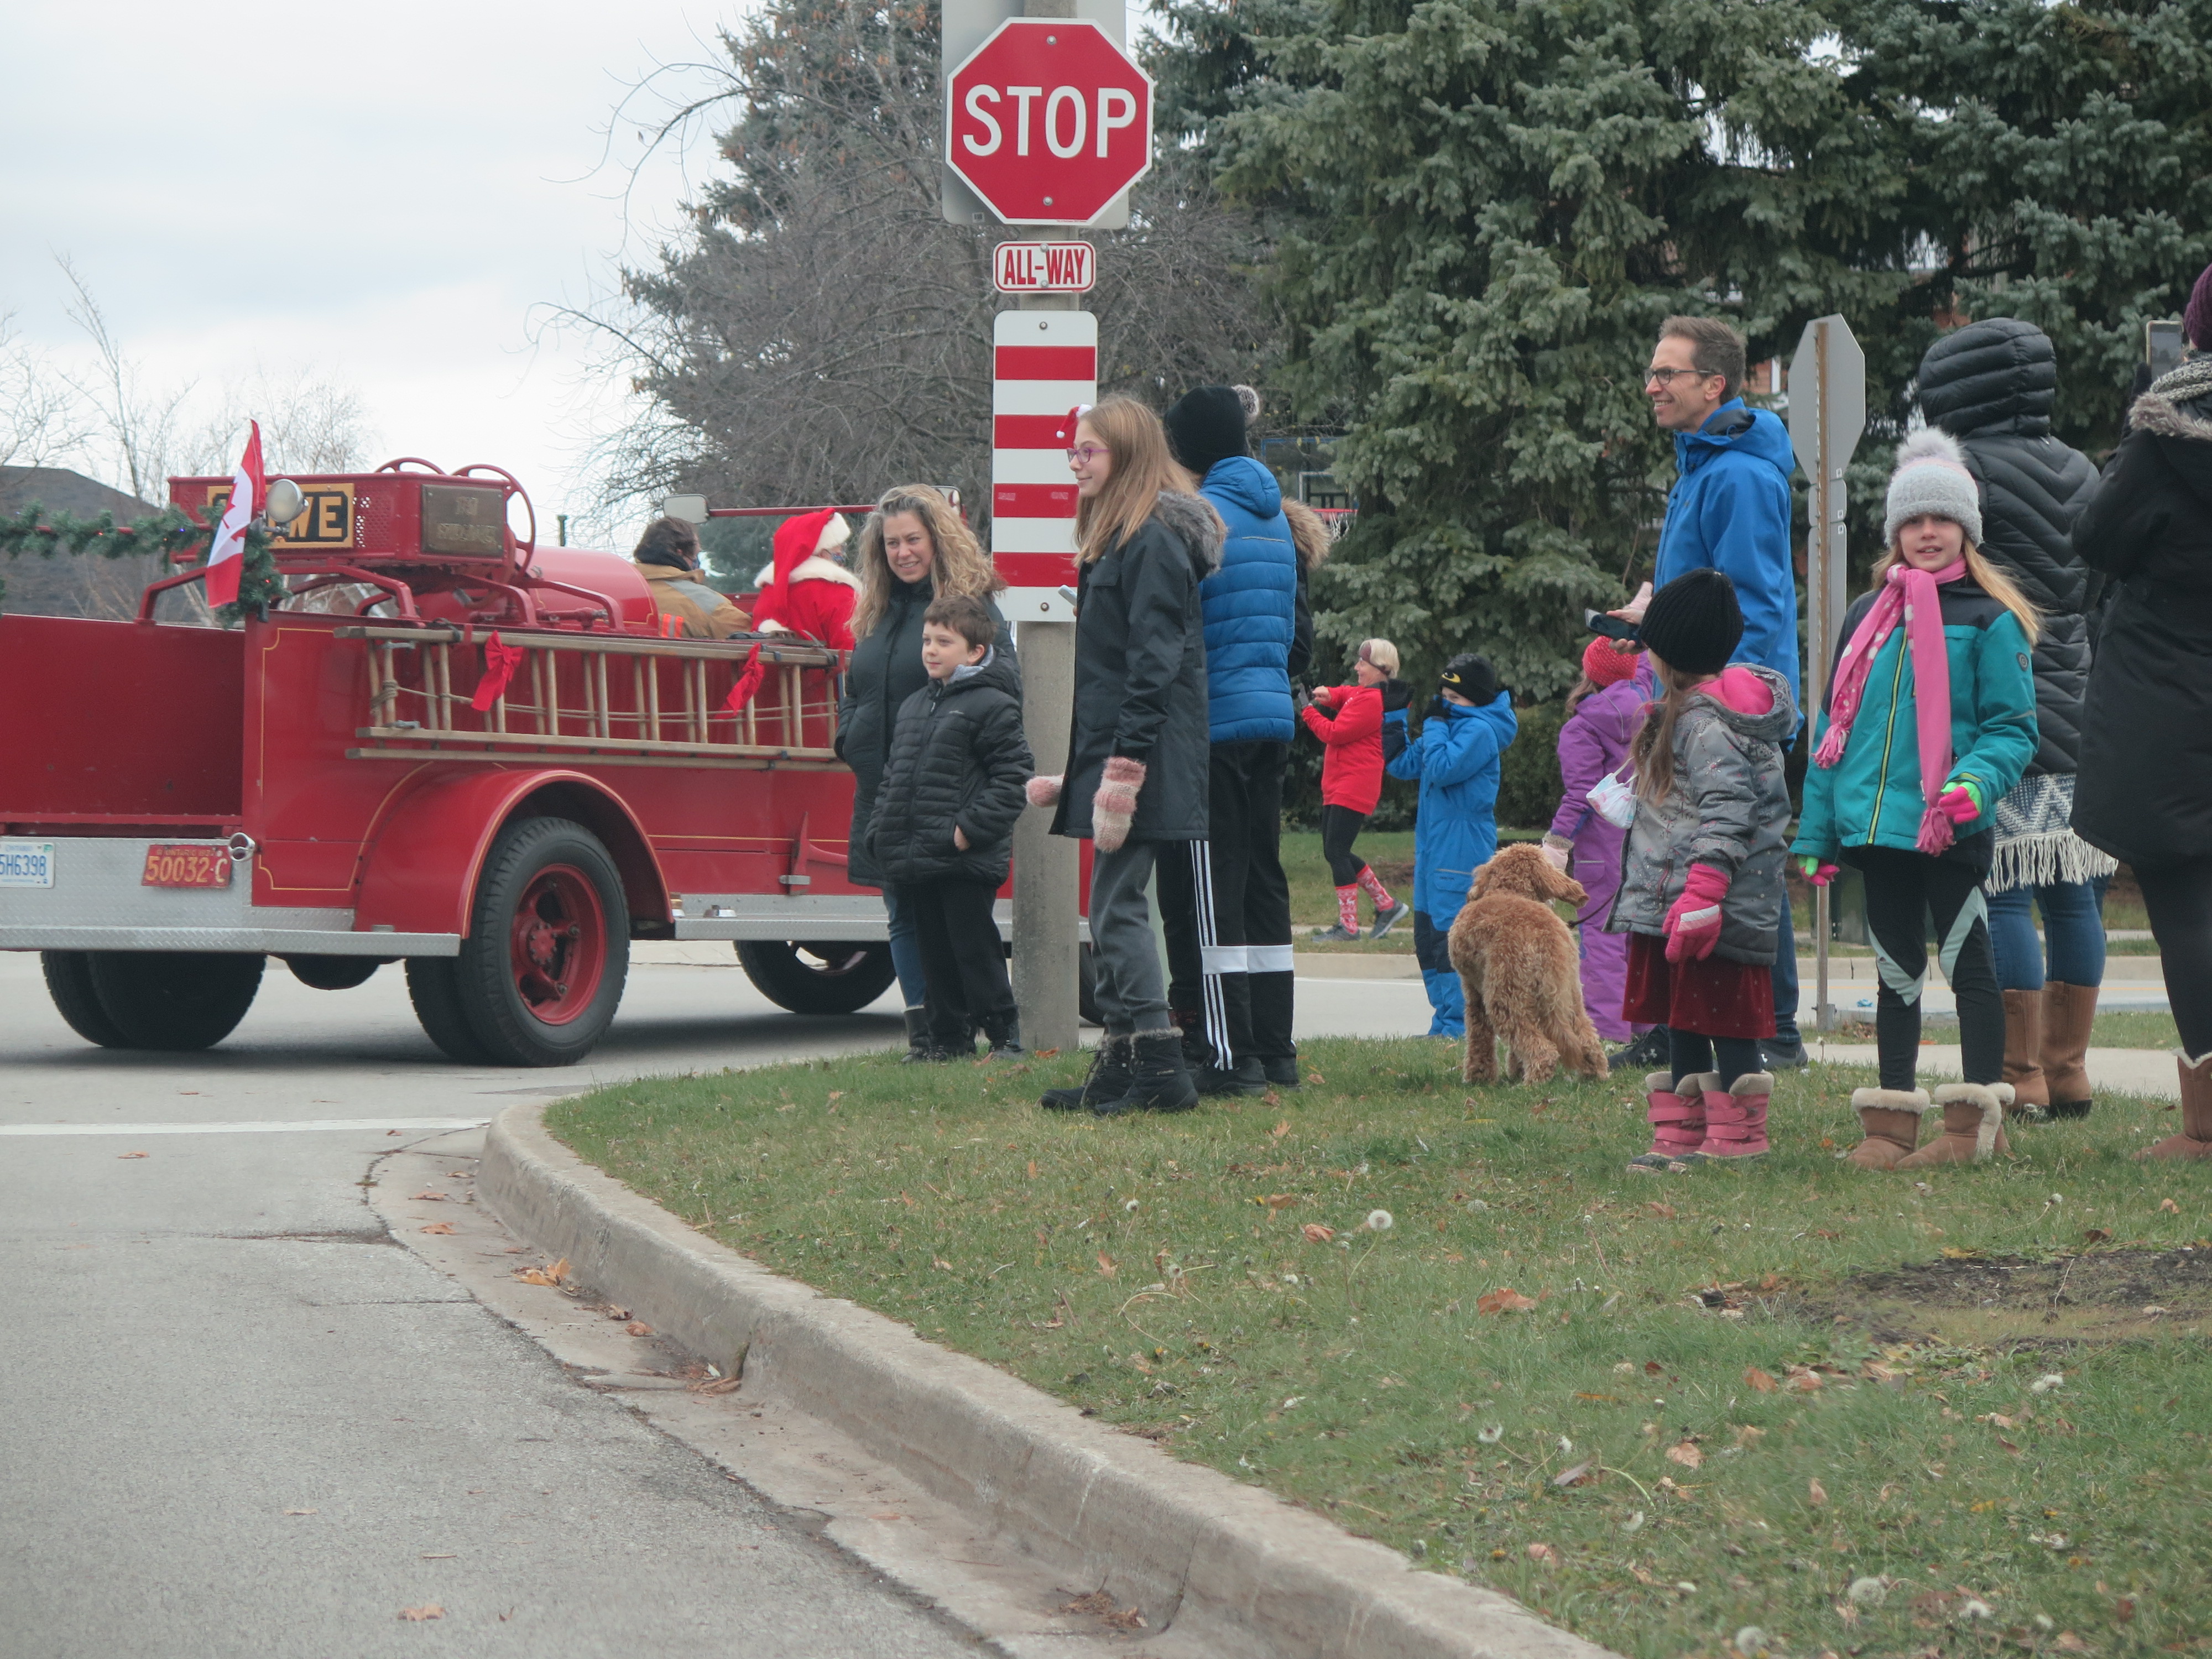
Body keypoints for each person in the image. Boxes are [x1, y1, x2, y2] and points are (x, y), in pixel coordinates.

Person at [1792, 431, 2041, 1170]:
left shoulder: (1989, 619)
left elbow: (2012, 729)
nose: (1926, 533)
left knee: (1968, 965)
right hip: (1873, 828)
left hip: (1946, 826)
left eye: (1941, 520)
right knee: (1895, 972)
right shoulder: (1867, 615)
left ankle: (1976, 1125)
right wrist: (1816, 831)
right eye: (1913, 521)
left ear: (1966, 528)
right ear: (1895, 530)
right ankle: (1890, 1125)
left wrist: (1974, 783)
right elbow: (1834, 728)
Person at [1916, 318, 2109, 1119]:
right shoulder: (2082, 467)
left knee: (2002, 889)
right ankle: (2070, 1073)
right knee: (2074, 892)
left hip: (2000, 701)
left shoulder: (1965, 472)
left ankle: (2020, 1072)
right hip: (2084, 699)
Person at [1026, 398, 1222, 1115]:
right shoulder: (1117, 540)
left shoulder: (1152, 543)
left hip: (1149, 756)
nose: (1075, 462)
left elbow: (1153, 666)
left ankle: (1159, 1066)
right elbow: (1111, 673)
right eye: (1073, 451)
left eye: (1088, 451)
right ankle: (1119, 1062)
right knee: (1108, 906)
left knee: (1116, 910)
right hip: (1121, 750)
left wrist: (1123, 772)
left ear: (1128, 456)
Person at [1630, 316, 1806, 1071]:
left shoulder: (1735, 474)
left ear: (1715, 385)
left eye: (1668, 373)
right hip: (1692, 693)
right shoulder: (1705, 465)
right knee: (1709, 853)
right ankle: (1695, 1029)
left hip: (1723, 707)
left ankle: (1775, 1034)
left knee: (1741, 860)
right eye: (1653, 371)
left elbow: (1753, 603)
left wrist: (1732, 709)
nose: (1652, 386)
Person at [2069, 264, 2212, 1159]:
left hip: (2168, 694)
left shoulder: (2169, 432)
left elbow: (2097, 537)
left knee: (2186, 906)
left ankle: (2206, 1123)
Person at [1606, 571, 1796, 1171]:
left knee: (1728, 1022)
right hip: (1679, 904)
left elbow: (1730, 810)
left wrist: (1705, 893)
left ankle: (1740, 1139)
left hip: (1712, 906)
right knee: (1684, 1017)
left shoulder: (1703, 724)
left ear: (1666, 653)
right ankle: (1684, 1134)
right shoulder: (1687, 712)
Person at [1155, 385, 1302, 1095]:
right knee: (1264, 887)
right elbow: (1298, 637)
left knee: (1212, 892)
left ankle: (1226, 1055)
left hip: (1213, 726)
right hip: (1272, 719)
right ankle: (1276, 1049)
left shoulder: (1198, 517)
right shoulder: (1275, 517)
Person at [838, 486, 1013, 1061]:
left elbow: (1004, 687)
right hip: (887, 793)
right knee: (903, 916)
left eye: (913, 539)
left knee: (956, 925)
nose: (903, 552)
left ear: (937, 539)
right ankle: (930, 1036)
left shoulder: (972, 606)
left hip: (947, 794)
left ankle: (986, 1032)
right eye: (891, 543)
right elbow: (854, 686)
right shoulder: (875, 610)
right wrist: (849, 736)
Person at [866, 594, 1032, 1061]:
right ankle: (948, 1040)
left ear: (975, 652)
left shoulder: (992, 704)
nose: (931, 650)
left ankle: (1004, 1037)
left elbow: (1014, 778)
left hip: (963, 856)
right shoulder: (916, 705)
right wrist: (880, 831)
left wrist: (968, 830)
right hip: (916, 855)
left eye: (944, 641)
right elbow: (895, 776)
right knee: (932, 952)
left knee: (974, 950)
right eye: (926, 640)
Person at [1381, 653, 1518, 1038]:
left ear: (1475, 699)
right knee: (1427, 938)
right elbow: (1404, 765)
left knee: (1452, 939)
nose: (1445, 704)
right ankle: (1443, 1020)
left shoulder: (1478, 732)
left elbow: (1441, 769)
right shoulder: (1450, 726)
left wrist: (1436, 723)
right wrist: (1393, 719)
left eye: (1454, 698)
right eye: (1443, 695)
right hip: (1432, 848)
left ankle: (1460, 1027)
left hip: (1461, 849)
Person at [1543, 635, 1658, 1057]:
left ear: (1589, 672)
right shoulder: (1645, 705)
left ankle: (1608, 1034)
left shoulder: (1582, 726)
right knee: (1638, 939)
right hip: (1644, 844)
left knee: (1603, 943)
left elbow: (1580, 795)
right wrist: (1642, 622)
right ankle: (1648, 1032)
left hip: (1599, 851)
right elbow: (1641, 668)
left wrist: (1556, 845)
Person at [1301, 639, 1410, 942]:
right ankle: (1387, 905)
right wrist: (1329, 694)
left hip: (1354, 783)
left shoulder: (1373, 702)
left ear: (1382, 670)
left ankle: (1349, 926)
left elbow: (1334, 733)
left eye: (1363, 663)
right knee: (1336, 850)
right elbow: (1347, 695)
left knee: (1336, 851)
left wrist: (1308, 711)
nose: (1356, 667)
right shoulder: (1368, 694)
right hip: (1341, 782)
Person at [753, 507, 859, 650]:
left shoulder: (769, 591)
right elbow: (848, 653)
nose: (842, 556)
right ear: (823, 553)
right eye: (839, 549)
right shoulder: (840, 593)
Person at [633, 516, 749, 638]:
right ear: (680, 552)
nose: (696, 561)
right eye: (697, 554)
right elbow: (752, 636)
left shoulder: (619, 593)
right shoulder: (707, 603)